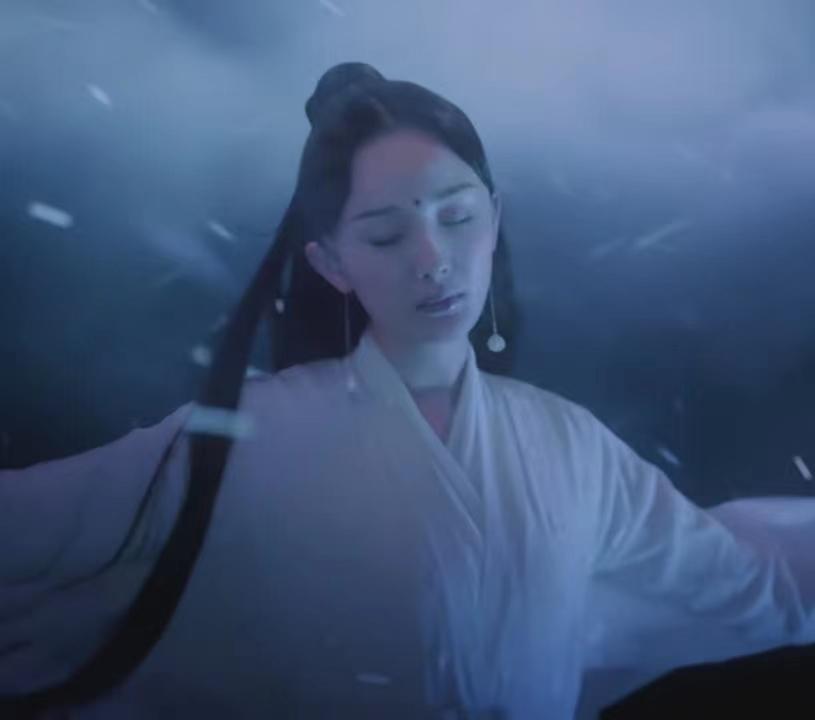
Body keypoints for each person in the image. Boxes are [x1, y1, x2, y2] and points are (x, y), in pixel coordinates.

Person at [1, 61, 814, 720]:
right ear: (329, 262)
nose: (431, 259)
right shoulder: (243, 439)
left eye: (456, 217)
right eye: (387, 234)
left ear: (493, 219)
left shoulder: (572, 445)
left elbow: (756, 587)